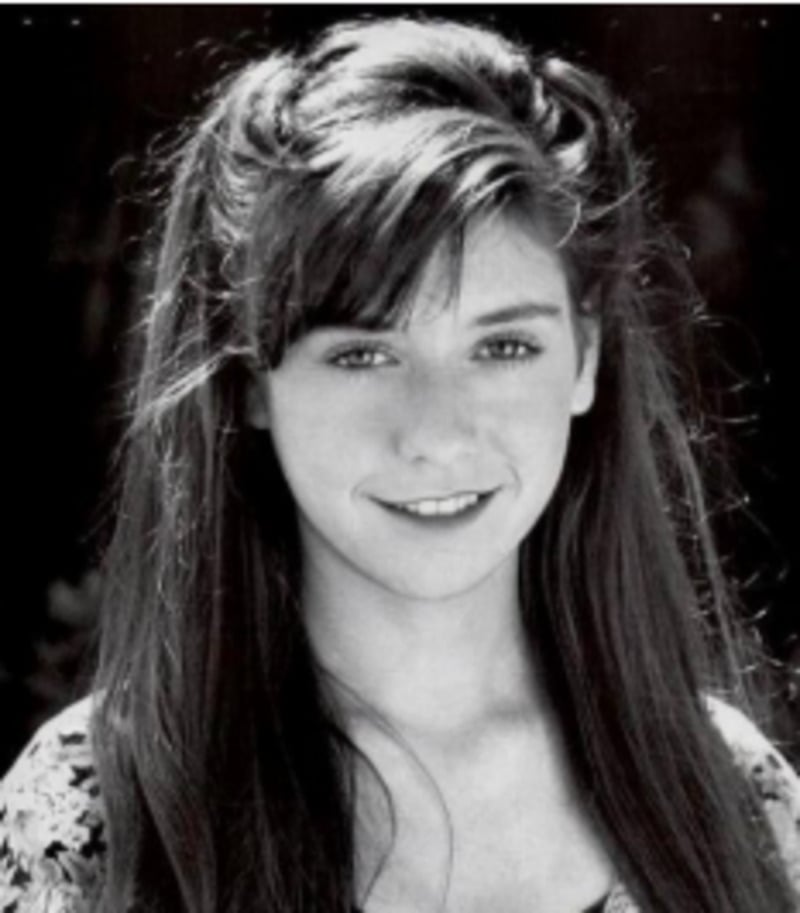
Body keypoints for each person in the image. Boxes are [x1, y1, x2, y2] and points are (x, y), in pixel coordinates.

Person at [1, 15, 798, 913]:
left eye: (502, 348)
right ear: (251, 378)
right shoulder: (99, 810)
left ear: (585, 360)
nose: (436, 433)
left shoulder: (735, 798)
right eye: (363, 354)